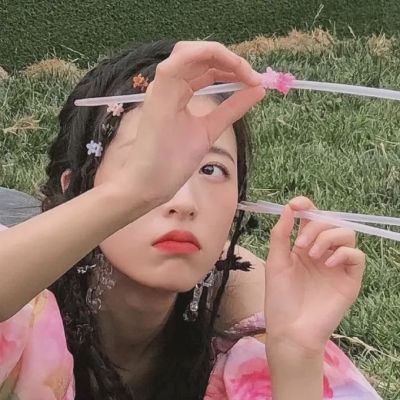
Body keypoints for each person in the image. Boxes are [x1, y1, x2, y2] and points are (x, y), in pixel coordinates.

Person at [0, 40, 381, 400]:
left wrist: (296, 359)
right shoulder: (24, 306)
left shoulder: (254, 315)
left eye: (212, 169)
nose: (182, 201)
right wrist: (133, 193)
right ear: (77, 191)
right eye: (149, 162)